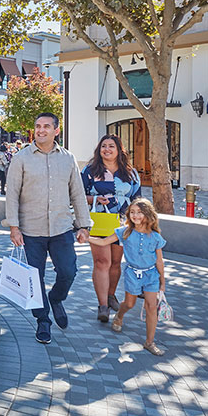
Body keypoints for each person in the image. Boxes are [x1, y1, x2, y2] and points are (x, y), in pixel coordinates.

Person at [5, 112, 91, 345]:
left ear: (56, 130)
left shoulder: (68, 158)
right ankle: (42, 320)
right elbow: (11, 194)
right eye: (37, 126)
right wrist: (14, 227)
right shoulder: (21, 158)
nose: (40, 130)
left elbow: (77, 193)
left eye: (46, 126)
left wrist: (84, 225)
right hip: (31, 230)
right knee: (35, 278)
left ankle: (56, 298)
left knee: (68, 271)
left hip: (62, 228)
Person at [88, 198, 167, 356]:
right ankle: (119, 315)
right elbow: (104, 243)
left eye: (139, 212)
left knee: (151, 307)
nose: (135, 215)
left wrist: (162, 283)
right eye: (132, 212)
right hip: (132, 274)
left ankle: (149, 342)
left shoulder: (156, 237)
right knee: (129, 304)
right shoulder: (125, 232)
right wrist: (86, 238)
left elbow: (159, 261)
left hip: (151, 275)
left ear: (148, 214)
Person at [80, 134, 142, 323]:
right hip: (99, 221)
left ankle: (110, 295)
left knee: (116, 262)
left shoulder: (130, 173)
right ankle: (103, 306)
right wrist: (95, 199)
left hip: (124, 223)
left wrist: (139, 224)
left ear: (119, 150)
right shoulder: (90, 171)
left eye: (111, 146)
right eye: (103, 146)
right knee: (102, 262)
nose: (107, 149)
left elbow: (137, 199)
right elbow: (77, 195)